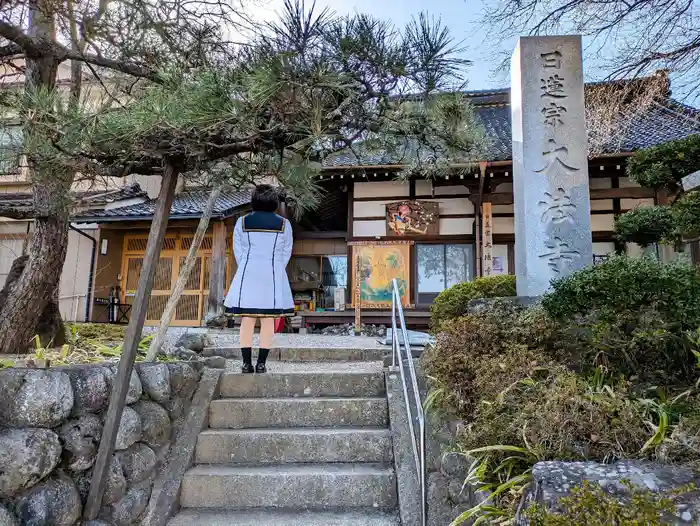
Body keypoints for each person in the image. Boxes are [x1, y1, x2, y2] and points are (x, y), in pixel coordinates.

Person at [224, 184, 294, 373]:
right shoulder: (284, 224)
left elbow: (238, 251)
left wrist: (248, 265)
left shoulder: (242, 222)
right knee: (268, 320)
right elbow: (286, 251)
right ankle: (262, 364)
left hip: (248, 273)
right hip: (272, 274)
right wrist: (276, 268)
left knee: (247, 319)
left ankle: (246, 364)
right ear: (274, 201)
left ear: (254, 200)